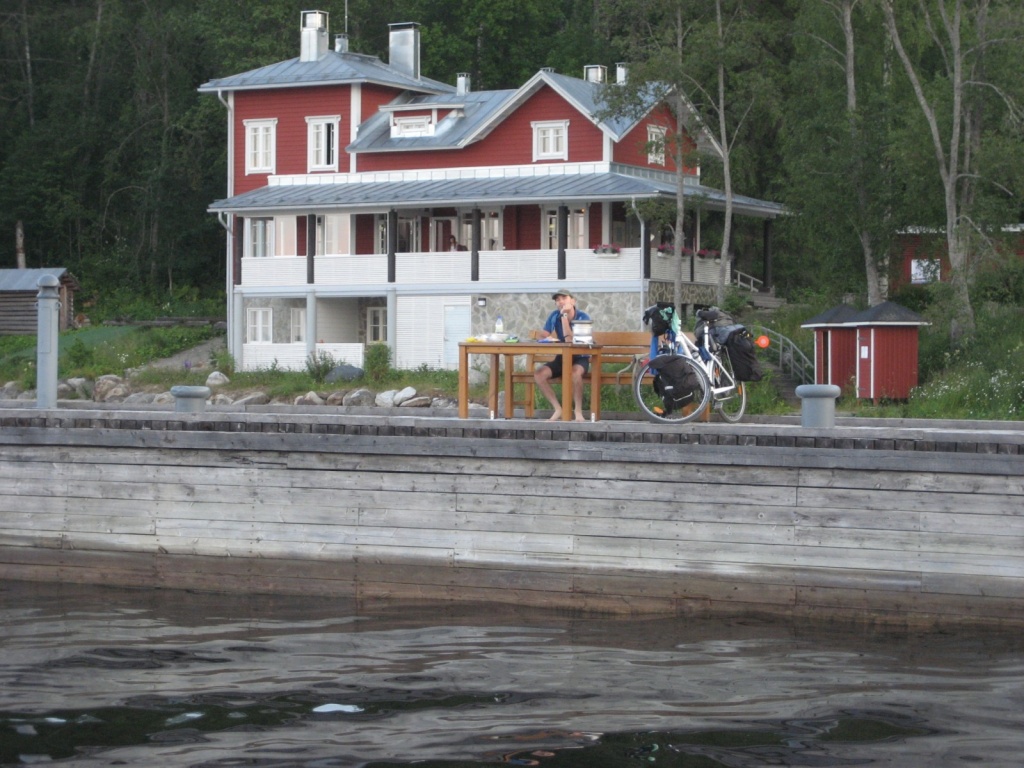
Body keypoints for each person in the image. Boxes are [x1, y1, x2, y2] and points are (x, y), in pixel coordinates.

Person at [535, 289, 591, 422]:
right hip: (563, 356)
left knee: (574, 373)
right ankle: (558, 409)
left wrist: (564, 317)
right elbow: (542, 335)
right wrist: (547, 338)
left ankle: (578, 411)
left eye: (564, 298)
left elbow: (569, 340)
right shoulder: (554, 315)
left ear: (573, 301)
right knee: (539, 374)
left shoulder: (583, 317)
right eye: (557, 300)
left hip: (580, 356)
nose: (560, 302)